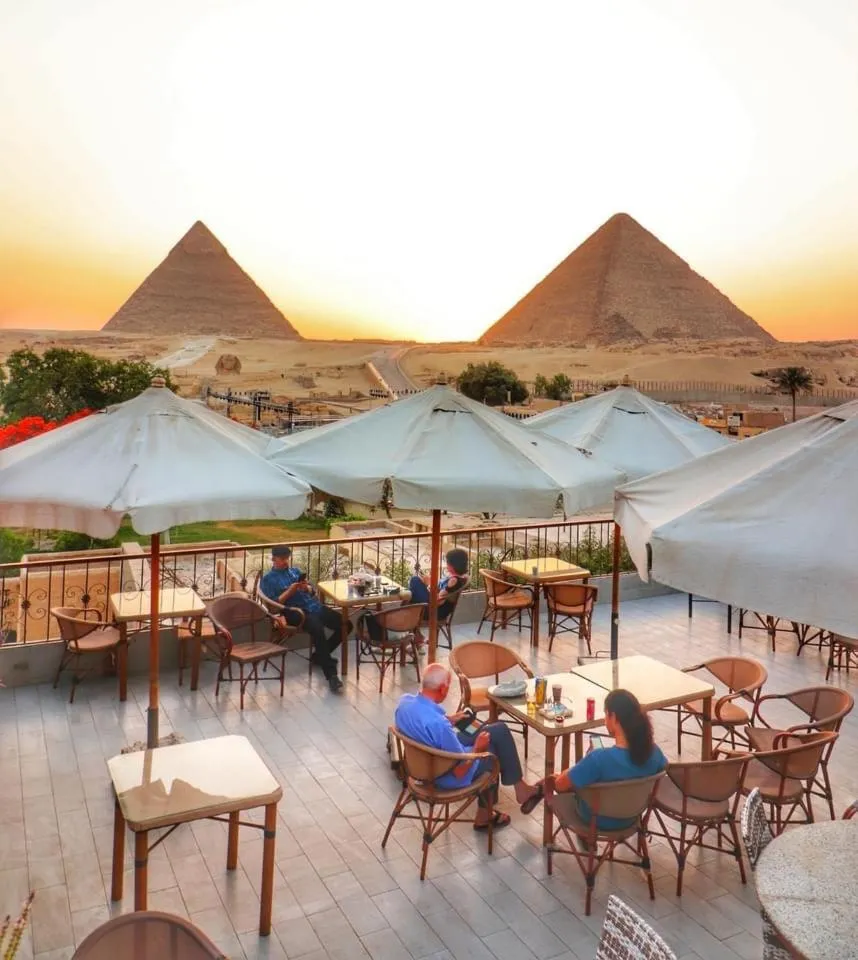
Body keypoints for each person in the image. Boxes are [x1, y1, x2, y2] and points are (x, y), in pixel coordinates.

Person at [394, 663, 543, 830]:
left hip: (421, 767)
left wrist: (451, 720)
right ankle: (485, 816)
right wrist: (477, 749)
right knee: (492, 749)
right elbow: (460, 769)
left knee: (487, 728)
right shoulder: (440, 725)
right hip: (444, 774)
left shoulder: (404, 704)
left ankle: (519, 787)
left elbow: (425, 726)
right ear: (443, 689)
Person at [549, 689, 667, 830]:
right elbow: (664, 768)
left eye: (606, 715)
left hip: (596, 819)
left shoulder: (598, 759)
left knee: (554, 781)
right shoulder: (654, 752)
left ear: (613, 716)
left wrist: (581, 765)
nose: (605, 721)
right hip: (632, 817)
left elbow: (560, 785)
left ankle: (536, 792)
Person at [260, 545, 347, 693]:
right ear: (274, 559)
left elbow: (313, 591)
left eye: (287, 559)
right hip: (296, 612)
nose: (286, 562)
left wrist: (306, 588)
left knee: (346, 625)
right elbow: (274, 607)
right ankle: (331, 675)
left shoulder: (295, 572)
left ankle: (320, 656)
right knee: (318, 630)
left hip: (315, 607)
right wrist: (290, 591)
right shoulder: (268, 579)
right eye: (282, 559)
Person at [407, 548, 469, 644]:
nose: (446, 564)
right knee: (411, 599)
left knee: (414, 581)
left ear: (452, 565)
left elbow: (439, 601)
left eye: (447, 562)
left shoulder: (453, 581)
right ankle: (416, 635)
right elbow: (441, 594)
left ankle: (414, 635)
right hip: (438, 609)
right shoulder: (461, 577)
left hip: (435, 611)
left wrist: (429, 584)